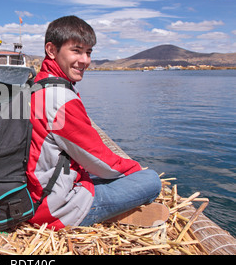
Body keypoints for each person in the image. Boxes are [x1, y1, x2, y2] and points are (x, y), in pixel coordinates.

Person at [27, 15, 162, 230]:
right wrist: (136, 171)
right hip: (51, 206)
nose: (85, 60)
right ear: (51, 50)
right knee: (151, 181)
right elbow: (101, 162)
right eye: (76, 50)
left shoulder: (35, 85)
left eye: (88, 52)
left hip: (33, 188)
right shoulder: (59, 98)